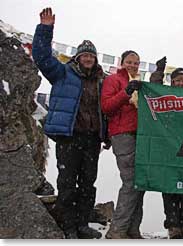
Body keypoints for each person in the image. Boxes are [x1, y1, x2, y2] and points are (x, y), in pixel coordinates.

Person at [32, 8, 109, 239]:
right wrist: (45, 29)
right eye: (84, 55)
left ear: (95, 59)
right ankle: (68, 226)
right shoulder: (62, 73)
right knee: (67, 183)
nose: (88, 59)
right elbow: (42, 57)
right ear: (77, 57)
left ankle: (83, 224)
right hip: (69, 136)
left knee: (88, 184)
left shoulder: (102, 80)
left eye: (91, 56)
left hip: (92, 139)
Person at [101, 50, 145, 239]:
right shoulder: (113, 80)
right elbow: (107, 106)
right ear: (121, 62)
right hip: (122, 134)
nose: (133, 66)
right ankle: (117, 229)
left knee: (140, 182)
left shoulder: (139, 82)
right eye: (129, 62)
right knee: (131, 182)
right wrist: (126, 93)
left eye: (136, 63)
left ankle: (132, 229)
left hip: (140, 134)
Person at [151, 59, 183, 238]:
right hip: (168, 149)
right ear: (171, 82)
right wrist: (159, 71)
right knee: (169, 187)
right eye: (177, 80)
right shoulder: (164, 96)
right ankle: (173, 225)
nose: (180, 83)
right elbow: (152, 90)